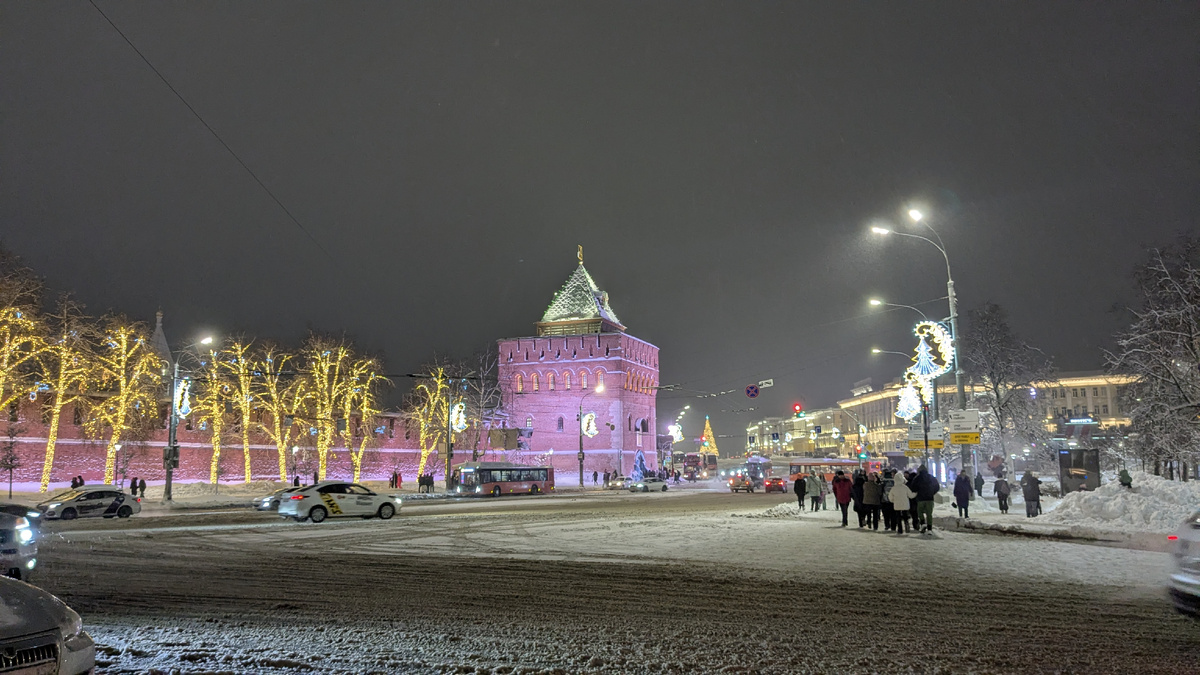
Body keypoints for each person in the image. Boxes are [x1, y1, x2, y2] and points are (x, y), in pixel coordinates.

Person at [913, 464, 940, 534]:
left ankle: (922, 523)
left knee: (920, 512)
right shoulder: (931, 477)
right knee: (929, 514)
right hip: (929, 498)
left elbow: (913, 488)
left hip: (920, 499)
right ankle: (929, 528)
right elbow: (937, 487)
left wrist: (918, 492)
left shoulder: (917, 478)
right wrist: (932, 492)